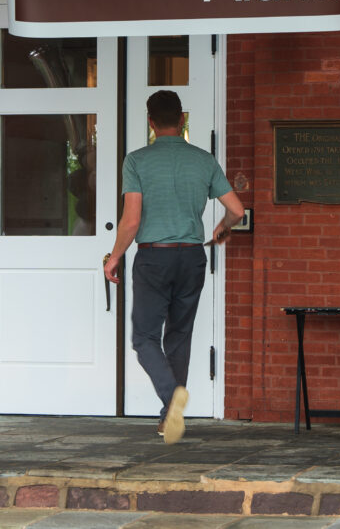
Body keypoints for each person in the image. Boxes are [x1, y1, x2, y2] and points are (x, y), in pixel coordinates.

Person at [103, 90, 244, 444]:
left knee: (144, 337)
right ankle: (170, 419)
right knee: (178, 336)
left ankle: (171, 396)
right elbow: (238, 211)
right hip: (192, 256)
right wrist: (222, 227)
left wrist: (115, 255)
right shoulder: (203, 160)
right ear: (181, 120)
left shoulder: (136, 161)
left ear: (151, 122)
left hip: (154, 256)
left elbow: (131, 220)